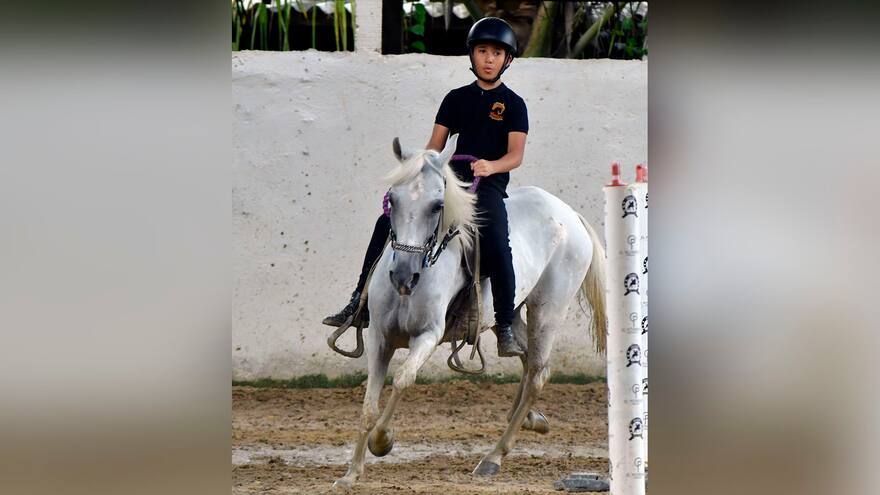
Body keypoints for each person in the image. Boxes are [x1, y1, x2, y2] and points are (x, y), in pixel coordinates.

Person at [322, 17, 529, 357]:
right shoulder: (455, 99)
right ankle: (358, 304)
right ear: (472, 55)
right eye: (482, 51)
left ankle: (504, 324)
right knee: (385, 223)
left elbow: (516, 155)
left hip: (485, 185)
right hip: (446, 181)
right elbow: (434, 147)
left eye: (496, 53)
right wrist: (416, 175)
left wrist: (491, 166)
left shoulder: (514, 104)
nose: (489, 58)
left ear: (507, 59)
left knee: (496, 240)